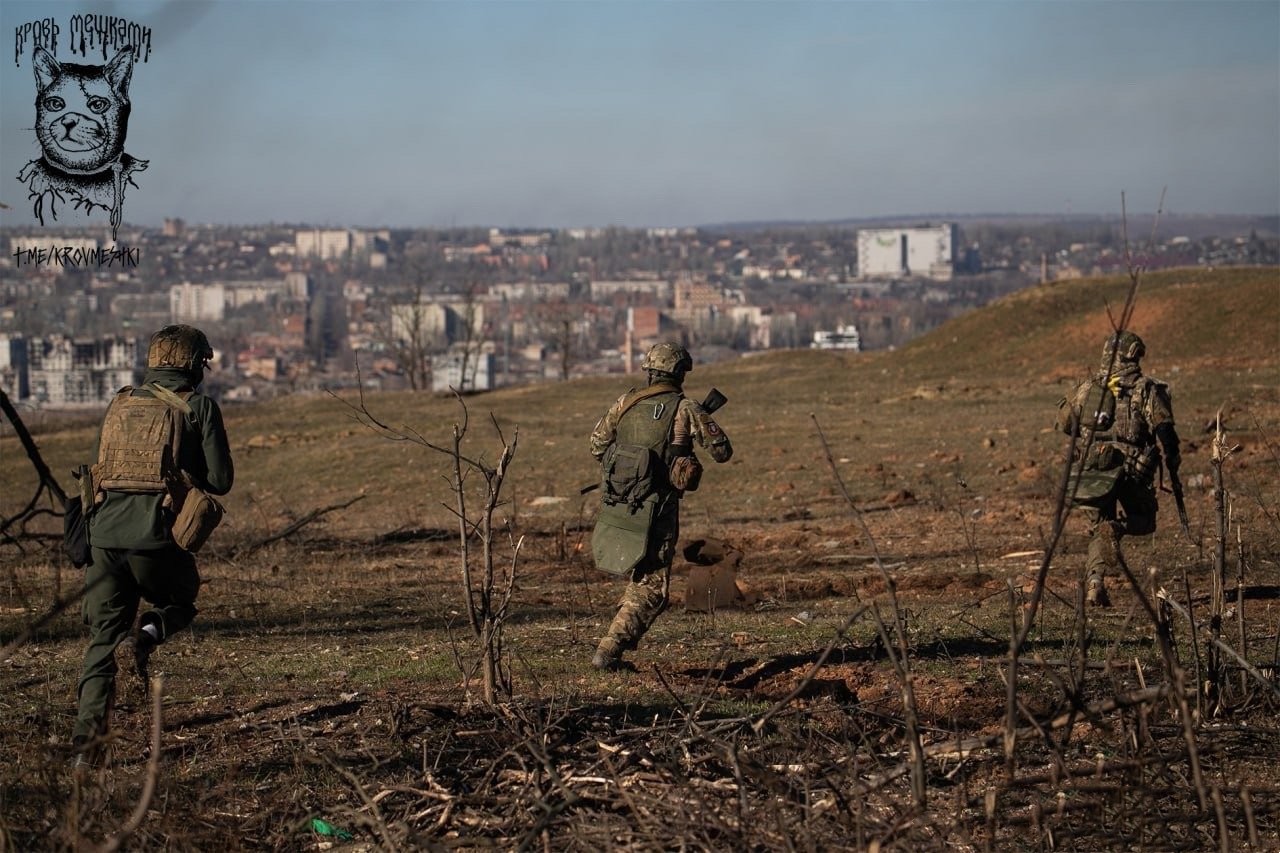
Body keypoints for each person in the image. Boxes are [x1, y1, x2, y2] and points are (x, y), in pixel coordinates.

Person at [71, 325, 234, 766]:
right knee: (181, 597)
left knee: (100, 641)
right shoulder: (198, 406)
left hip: (102, 539)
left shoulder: (119, 404)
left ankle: (86, 753)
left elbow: (96, 471)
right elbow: (221, 481)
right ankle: (144, 636)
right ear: (193, 364)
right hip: (155, 538)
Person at [588, 342, 732, 670]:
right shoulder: (685, 408)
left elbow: (597, 446)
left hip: (620, 503)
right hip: (659, 507)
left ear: (649, 370)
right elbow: (723, 452)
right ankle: (608, 652)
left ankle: (610, 650)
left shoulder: (625, 402)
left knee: (640, 577)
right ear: (680, 373)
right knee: (653, 588)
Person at [1056, 330, 1180, 606]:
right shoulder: (1144, 388)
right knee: (1144, 521)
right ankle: (1118, 529)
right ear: (1134, 354)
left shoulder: (1089, 388)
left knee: (1098, 529)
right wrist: (1173, 457)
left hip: (1092, 469)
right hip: (1130, 468)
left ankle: (1094, 586)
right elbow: (1164, 428)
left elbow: (1065, 423)